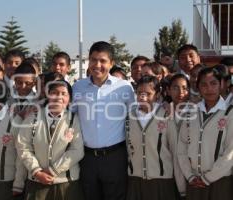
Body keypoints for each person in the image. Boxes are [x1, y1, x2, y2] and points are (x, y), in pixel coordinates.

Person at [72, 41, 135, 200]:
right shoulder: (78, 87)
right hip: (87, 158)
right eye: (93, 60)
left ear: (111, 63)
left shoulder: (124, 87)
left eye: (103, 61)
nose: (97, 65)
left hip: (115, 157)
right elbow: (68, 115)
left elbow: (137, 114)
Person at [17, 80, 84, 200]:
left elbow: (77, 150)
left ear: (70, 98)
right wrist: (36, 171)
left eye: (64, 93)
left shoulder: (74, 120)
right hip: (37, 181)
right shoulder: (33, 117)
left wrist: (53, 170)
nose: (59, 97)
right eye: (54, 92)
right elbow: (23, 146)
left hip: (66, 182)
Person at [177, 67, 233, 200]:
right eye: (204, 84)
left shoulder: (229, 113)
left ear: (221, 85)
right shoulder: (190, 113)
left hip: (220, 180)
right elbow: (182, 148)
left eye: (213, 83)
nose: (209, 88)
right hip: (194, 181)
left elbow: (230, 152)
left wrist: (208, 178)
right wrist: (189, 175)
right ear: (198, 88)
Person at [126, 75, 183, 200]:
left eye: (148, 93)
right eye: (140, 93)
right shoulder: (129, 117)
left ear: (157, 94)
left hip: (162, 180)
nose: (143, 97)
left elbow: (176, 151)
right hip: (136, 179)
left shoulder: (167, 115)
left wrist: (181, 185)